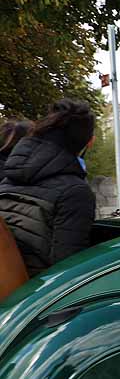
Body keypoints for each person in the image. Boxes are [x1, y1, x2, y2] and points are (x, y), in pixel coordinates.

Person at [0, 99, 96, 275]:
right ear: (88, 142)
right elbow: (67, 271)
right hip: (36, 297)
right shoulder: (75, 193)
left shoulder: (9, 178)